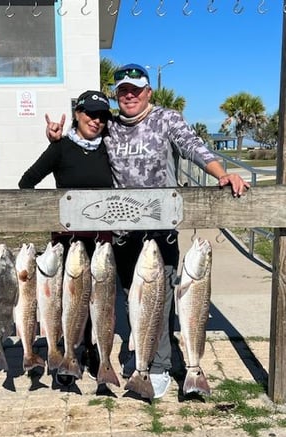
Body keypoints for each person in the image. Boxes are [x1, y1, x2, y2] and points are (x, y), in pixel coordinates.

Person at [45, 64, 250, 400]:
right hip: (123, 230)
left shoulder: (167, 119)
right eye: (123, 90)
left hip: (160, 228)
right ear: (117, 94)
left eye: (136, 90)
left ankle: (159, 366)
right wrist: (58, 140)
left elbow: (194, 147)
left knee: (162, 299)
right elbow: (84, 140)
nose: (129, 96)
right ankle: (135, 355)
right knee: (129, 299)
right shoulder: (109, 125)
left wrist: (220, 173)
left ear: (147, 93)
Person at [19, 90, 113, 385]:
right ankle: (65, 351)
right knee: (65, 300)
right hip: (68, 243)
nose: (95, 121)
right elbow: (27, 181)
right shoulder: (61, 148)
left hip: (100, 242)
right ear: (77, 114)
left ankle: (94, 350)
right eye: (90, 114)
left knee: (98, 301)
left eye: (101, 117)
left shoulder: (111, 147)